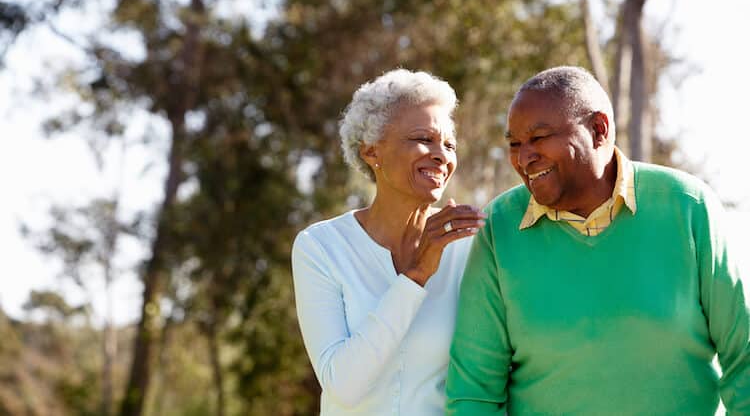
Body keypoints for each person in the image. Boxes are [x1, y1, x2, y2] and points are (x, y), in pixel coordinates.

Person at [445, 66, 750, 415]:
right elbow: (474, 391)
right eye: (515, 144)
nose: (524, 157)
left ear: (599, 129)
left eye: (539, 137)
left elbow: (744, 355)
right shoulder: (499, 227)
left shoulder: (687, 206)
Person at [292, 68, 486, 415]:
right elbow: (343, 385)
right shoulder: (320, 247)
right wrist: (416, 275)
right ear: (371, 152)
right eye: (422, 138)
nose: (442, 155)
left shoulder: (469, 246)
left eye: (449, 144)